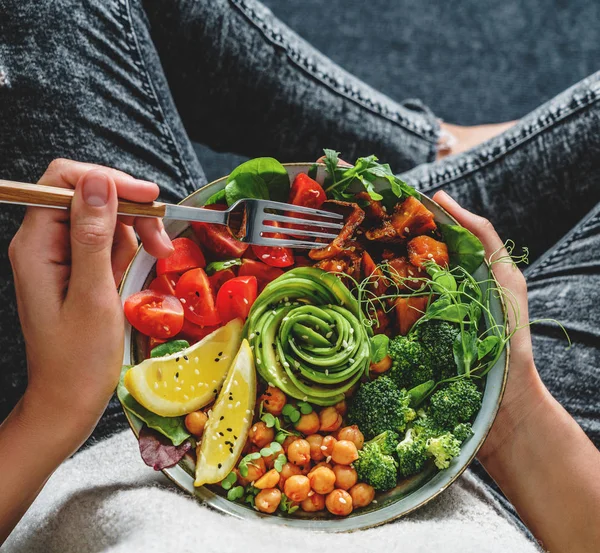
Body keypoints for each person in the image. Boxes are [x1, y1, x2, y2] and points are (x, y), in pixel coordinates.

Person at [0, 0, 599, 551]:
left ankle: (434, 148)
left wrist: (54, 408)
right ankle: (434, 148)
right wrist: (517, 425)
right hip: (515, 499)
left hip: (112, 440)